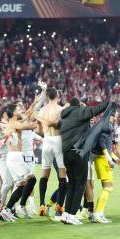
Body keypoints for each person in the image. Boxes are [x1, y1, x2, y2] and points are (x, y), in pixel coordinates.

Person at [59, 97, 111, 225]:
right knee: (80, 184)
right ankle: (72, 215)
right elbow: (96, 109)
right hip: (78, 152)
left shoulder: (64, 117)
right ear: (79, 107)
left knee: (71, 183)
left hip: (66, 153)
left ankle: (66, 214)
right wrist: (110, 104)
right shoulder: (79, 112)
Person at [1, 102, 38, 219]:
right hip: (14, 157)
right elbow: (30, 126)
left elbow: (26, 116)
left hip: (16, 157)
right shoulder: (14, 124)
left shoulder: (14, 122)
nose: (20, 110)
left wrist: (36, 103)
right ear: (14, 113)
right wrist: (39, 119)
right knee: (31, 179)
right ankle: (19, 206)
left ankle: (8, 209)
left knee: (22, 184)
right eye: (17, 109)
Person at [35, 87, 66, 216]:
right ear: (57, 96)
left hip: (46, 140)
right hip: (58, 140)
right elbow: (62, 125)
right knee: (62, 174)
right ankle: (58, 205)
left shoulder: (41, 110)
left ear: (47, 97)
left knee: (44, 173)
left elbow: (39, 131)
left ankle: (42, 204)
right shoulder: (61, 109)